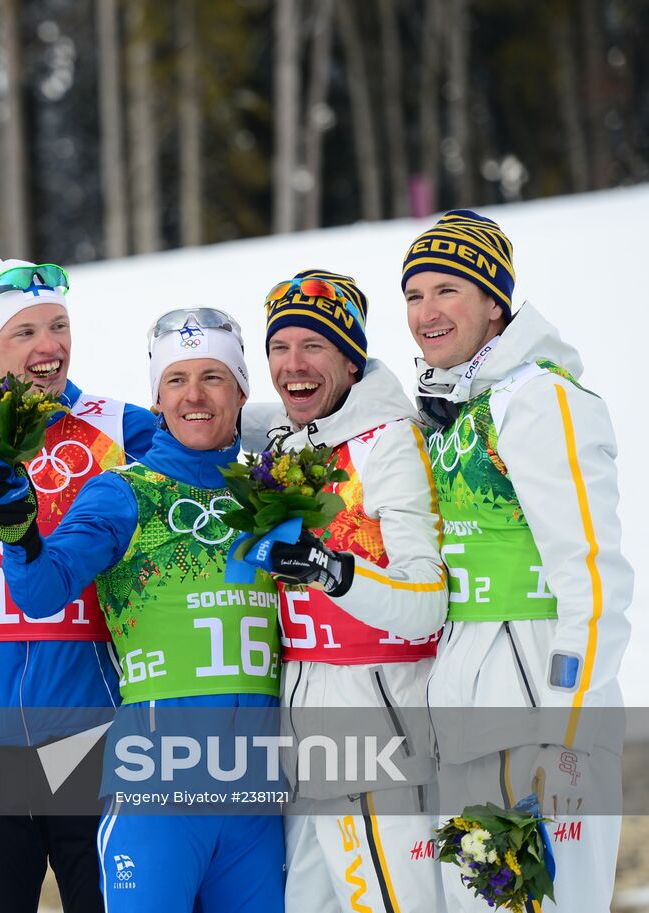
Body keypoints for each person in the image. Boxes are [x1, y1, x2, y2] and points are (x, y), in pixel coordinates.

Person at [0, 308, 285, 911]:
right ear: (157, 399)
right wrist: (18, 534)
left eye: (213, 377)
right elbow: (42, 591)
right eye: (176, 380)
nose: (194, 396)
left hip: (258, 801)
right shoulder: (125, 491)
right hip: (157, 795)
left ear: (242, 391)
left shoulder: (276, 495)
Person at [403, 210, 633, 912]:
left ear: (495, 302)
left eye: (448, 290)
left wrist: (566, 738)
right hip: (467, 710)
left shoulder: (539, 399)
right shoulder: (455, 408)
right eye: (414, 295)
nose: (427, 312)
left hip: (539, 709)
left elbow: (594, 580)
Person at [0, 258, 154, 913]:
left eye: (58, 326)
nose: (49, 345)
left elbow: (200, 452)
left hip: (88, 725)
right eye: (25, 332)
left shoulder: (120, 427)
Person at [245, 270, 447, 912]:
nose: (294, 365)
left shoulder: (389, 442)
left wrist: (332, 571)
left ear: (352, 360)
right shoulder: (283, 438)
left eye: (315, 346)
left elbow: (427, 602)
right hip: (303, 731)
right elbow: (204, 409)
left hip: (377, 726)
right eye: (280, 347)